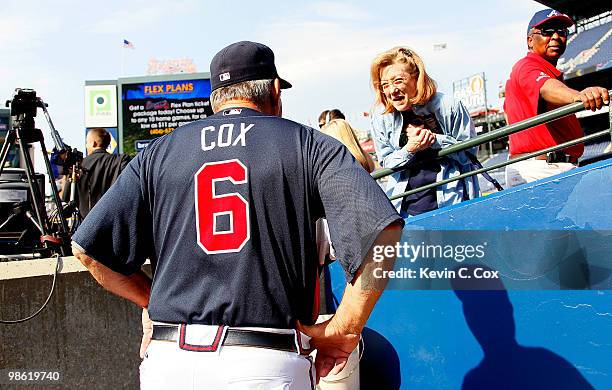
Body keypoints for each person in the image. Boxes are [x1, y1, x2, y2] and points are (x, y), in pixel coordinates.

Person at [71, 41, 403, 389]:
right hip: (265, 361)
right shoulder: (308, 144)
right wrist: (345, 326)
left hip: (169, 363)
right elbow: (383, 232)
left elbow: (88, 250)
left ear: (216, 97)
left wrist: (151, 298)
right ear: (275, 91)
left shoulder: (157, 153)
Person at [504, 8, 610, 187]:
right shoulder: (527, 65)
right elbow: (546, 88)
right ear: (530, 41)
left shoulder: (546, 71)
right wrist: (579, 95)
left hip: (547, 166)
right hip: (541, 167)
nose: (555, 36)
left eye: (561, 31)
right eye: (547, 31)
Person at [370, 46, 479, 217]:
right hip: (405, 210)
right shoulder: (381, 117)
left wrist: (434, 140)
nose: (391, 90)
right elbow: (385, 161)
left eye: (398, 80)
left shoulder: (448, 105)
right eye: (385, 85)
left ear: (416, 78)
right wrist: (409, 149)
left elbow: (470, 155)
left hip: (451, 202)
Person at [62, 128, 130, 217]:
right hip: (115, 221)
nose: (86, 146)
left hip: (87, 225)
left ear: (94, 143)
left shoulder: (79, 166)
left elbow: (66, 197)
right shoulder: (121, 160)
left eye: (87, 142)